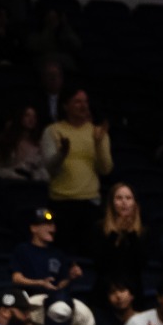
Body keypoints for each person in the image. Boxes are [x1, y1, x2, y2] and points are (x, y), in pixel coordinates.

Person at [41, 90, 112, 255]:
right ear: (66, 106)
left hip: (90, 203)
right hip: (61, 202)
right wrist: (62, 154)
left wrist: (99, 143)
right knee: (61, 255)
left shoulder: (97, 132)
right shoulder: (53, 131)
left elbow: (106, 169)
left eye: (85, 102)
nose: (83, 106)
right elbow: (50, 168)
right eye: (77, 102)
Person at [10, 207, 81, 294]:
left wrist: (70, 277)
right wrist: (40, 283)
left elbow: (60, 284)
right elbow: (16, 279)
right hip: (30, 297)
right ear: (34, 228)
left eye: (53, 224)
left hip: (54, 298)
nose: (52, 227)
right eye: (47, 224)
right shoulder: (23, 249)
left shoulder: (58, 253)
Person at [94, 182, 148, 294]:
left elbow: (140, 264)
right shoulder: (99, 227)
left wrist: (131, 234)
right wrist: (114, 233)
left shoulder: (143, 231)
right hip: (106, 288)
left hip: (133, 290)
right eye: (119, 198)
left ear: (135, 203)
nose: (124, 202)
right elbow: (101, 263)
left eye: (128, 198)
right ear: (111, 203)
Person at [0, 106, 49, 183]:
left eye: (34, 116)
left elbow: (44, 169)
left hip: (32, 186)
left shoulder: (38, 144)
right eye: (27, 115)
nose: (31, 119)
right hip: (10, 184)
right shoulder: (7, 141)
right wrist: (12, 174)